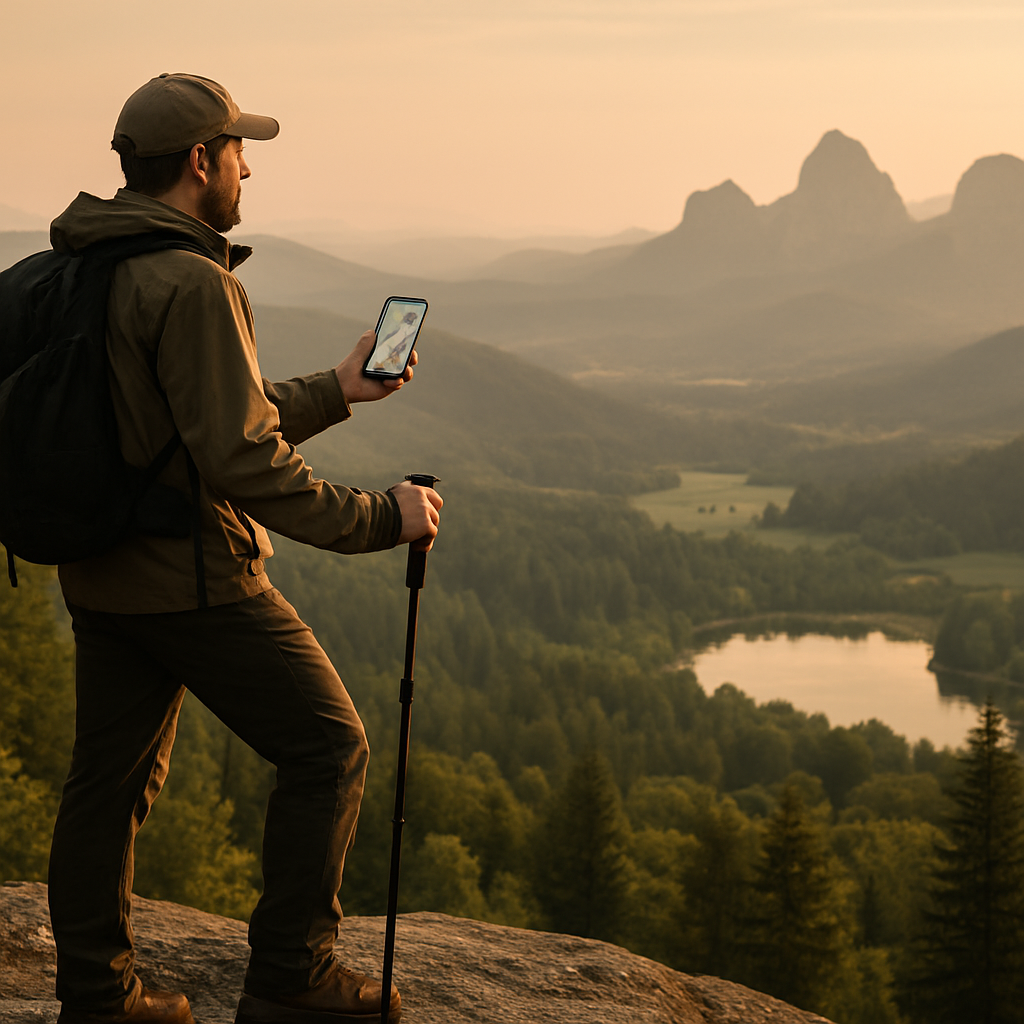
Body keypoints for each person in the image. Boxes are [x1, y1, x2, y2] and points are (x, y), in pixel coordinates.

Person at [45, 73, 441, 1024]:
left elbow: (203, 424)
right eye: (236, 152)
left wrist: (340, 388)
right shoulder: (192, 279)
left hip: (100, 568)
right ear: (198, 162)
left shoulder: (93, 265)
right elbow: (241, 461)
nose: (245, 167)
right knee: (328, 745)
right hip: (193, 577)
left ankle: (98, 996)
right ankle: (292, 980)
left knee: (109, 783)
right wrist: (382, 518)